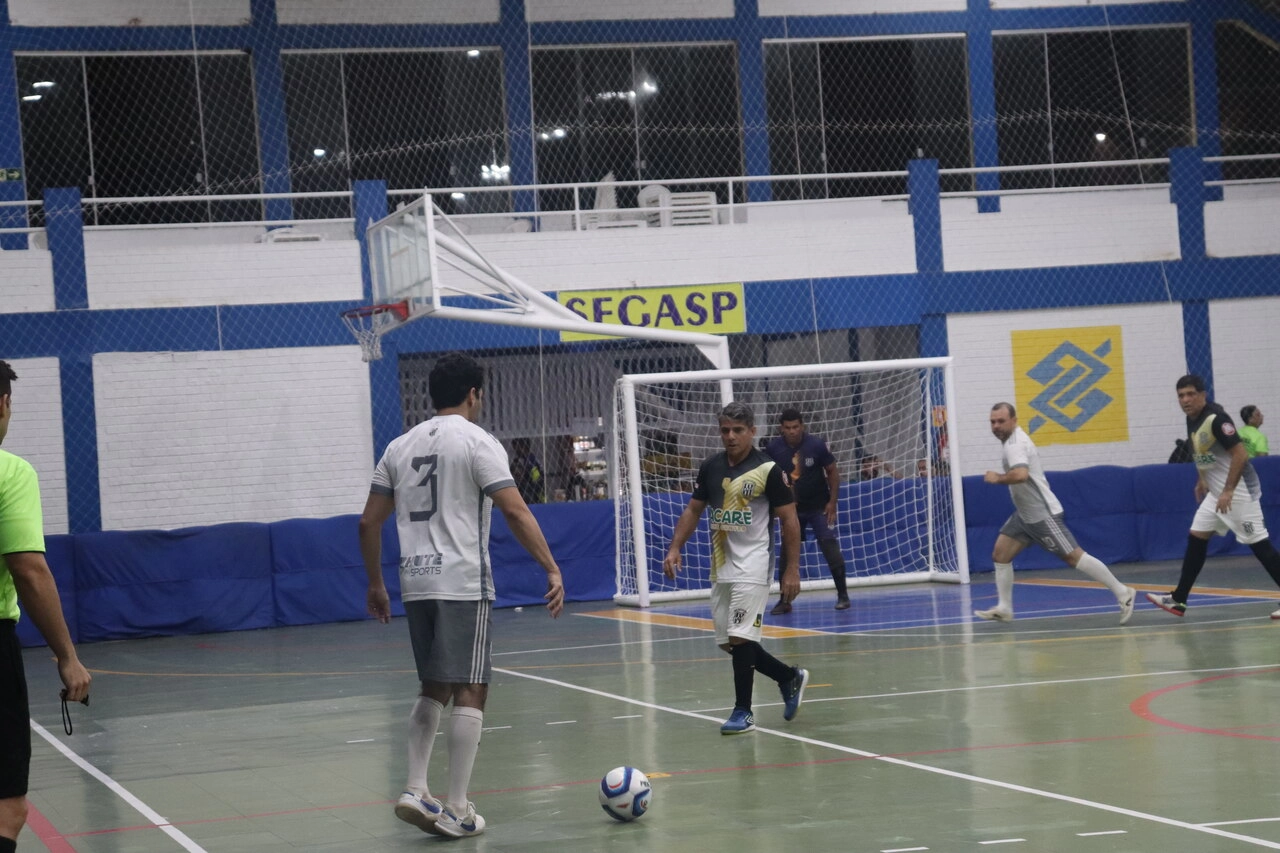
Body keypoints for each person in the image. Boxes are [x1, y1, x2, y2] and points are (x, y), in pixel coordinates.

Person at [358, 352, 566, 839]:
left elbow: (368, 521)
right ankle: (455, 808)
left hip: (416, 582)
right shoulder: (478, 442)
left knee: (434, 684)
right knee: (472, 686)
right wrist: (552, 568)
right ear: (475, 394)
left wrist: (375, 584)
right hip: (462, 582)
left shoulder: (398, 446)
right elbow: (515, 511)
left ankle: (414, 787)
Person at [663, 402, 810, 735]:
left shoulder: (769, 470)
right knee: (731, 643)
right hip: (722, 567)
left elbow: (789, 520)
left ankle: (743, 712)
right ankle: (789, 677)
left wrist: (792, 570)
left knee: (740, 639)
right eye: (725, 430)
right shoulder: (711, 467)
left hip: (755, 565)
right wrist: (675, 547)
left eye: (738, 430)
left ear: (753, 432)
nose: (730, 436)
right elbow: (693, 511)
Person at [0, 361, 91, 853]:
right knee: (6, 808)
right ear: (3, 404)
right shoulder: (9, 473)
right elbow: (29, 571)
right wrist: (67, 656)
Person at [975, 402, 1136, 624]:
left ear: (1014, 420)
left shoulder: (1015, 444)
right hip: (1024, 515)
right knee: (1000, 555)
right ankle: (1004, 608)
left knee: (1074, 556)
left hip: (1042, 514)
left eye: (1001, 421)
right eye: (992, 422)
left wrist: (997, 478)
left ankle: (1123, 592)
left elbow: (1020, 475)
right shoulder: (1012, 441)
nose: (996, 426)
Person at [1147, 376, 1280, 619]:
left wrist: (1228, 490)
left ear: (1202, 394)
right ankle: (1179, 600)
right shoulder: (1191, 420)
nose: (1185, 400)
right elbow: (1202, 452)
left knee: (1261, 546)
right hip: (1216, 495)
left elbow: (1240, 455)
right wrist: (1203, 479)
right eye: (1181, 395)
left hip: (1239, 494)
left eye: (1190, 394)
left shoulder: (1217, 420)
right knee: (1197, 537)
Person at [764, 408, 850, 613]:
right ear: (781, 429)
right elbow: (766, 477)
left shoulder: (816, 445)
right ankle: (785, 600)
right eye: (787, 428)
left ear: (802, 426)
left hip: (818, 508)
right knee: (787, 552)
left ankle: (843, 595)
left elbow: (832, 472)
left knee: (830, 547)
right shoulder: (773, 449)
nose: (792, 431)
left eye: (795, 427)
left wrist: (832, 502)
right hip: (790, 512)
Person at [509, 437, 545, 504]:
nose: (516, 451)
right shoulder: (520, 460)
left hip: (534, 490)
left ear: (523, 447)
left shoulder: (530, 460)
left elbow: (537, 478)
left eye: (517, 448)